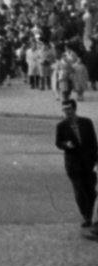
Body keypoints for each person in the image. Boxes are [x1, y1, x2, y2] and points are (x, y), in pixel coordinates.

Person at [54, 100, 98, 235]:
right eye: (64, 110)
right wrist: (66, 145)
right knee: (79, 190)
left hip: (88, 163)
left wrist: (96, 161)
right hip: (72, 164)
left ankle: (92, 214)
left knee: (91, 190)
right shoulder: (61, 126)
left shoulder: (87, 122)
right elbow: (58, 143)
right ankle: (86, 216)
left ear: (74, 109)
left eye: (68, 109)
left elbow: (94, 143)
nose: (66, 112)